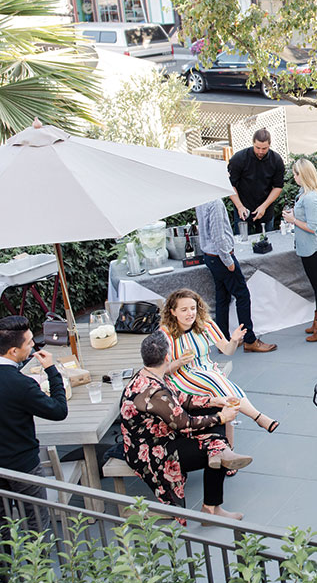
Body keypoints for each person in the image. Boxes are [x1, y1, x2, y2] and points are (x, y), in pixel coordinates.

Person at [120, 331, 251, 520]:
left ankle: (219, 453)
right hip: (153, 452)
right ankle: (212, 509)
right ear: (167, 357)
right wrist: (222, 418)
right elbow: (184, 424)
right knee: (216, 444)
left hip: (164, 434)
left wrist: (215, 401)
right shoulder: (154, 392)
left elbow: (181, 399)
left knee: (215, 419)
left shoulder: (149, 374)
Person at [160, 289, 280, 442]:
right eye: (184, 310)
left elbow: (227, 351)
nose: (190, 313)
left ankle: (229, 446)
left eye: (193, 308)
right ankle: (257, 417)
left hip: (207, 370)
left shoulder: (205, 323)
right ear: (173, 312)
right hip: (181, 376)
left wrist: (234, 341)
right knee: (215, 381)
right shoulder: (165, 333)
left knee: (216, 381)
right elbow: (162, 371)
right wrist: (179, 362)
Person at [0, 315, 68, 537]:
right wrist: (52, 371)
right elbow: (58, 411)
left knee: (0, 529)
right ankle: (40, 569)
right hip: (23, 467)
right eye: (29, 342)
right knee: (37, 528)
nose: (34, 345)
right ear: (14, 351)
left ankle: (5, 571)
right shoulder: (21, 384)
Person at [194, 198, 277, 353]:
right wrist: (228, 261)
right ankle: (250, 340)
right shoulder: (215, 203)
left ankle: (223, 341)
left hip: (210, 256)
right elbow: (219, 237)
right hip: (221, 257)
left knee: (222, 298)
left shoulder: (202, 200)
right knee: (242, 296)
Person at [282, 158, 317, 342]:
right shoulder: (304, 193)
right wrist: (293, 215)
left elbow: (312, 227)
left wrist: (292, 220)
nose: (294, 177)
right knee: (316, 285)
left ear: (302, 175)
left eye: (296, 174)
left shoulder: (311, 198)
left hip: (313, 247)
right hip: (307, 246)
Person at [228, 128, 285, 234]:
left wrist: (264, 206)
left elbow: (278, 186)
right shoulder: (239, 158)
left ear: (269, 145)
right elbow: (230, 185)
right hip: (243, 209)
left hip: (266, 208)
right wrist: (239, 206)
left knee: (267, 242)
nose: (260, 151)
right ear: (253, 143)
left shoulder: (276, 160)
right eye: (257, 147)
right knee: (242, 244)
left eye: (264, 148)